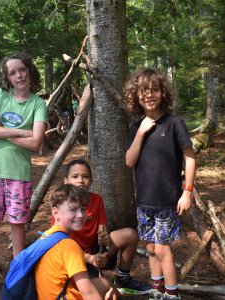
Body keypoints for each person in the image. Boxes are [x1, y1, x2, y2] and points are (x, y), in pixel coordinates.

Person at [0, 52, 47, 300]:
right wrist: (20, 132)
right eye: (13, 72)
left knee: (17, 225)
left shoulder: (38, 104)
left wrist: (0, 130)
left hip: (19, 174)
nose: (19, 76)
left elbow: (37, 142)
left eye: (22, 70)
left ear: (29, 70)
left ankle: (18, 276)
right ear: (7, 77)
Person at [125, 69, 196, 300]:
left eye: (154, 89)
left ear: (162, 93)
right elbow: (129, 161)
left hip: (168, 200)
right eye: (144, 91)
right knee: (151, 248)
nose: (149, 95)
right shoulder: (136, 128)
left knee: (163, 248)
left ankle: (173, 293)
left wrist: (187, 192)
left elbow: (190, 157)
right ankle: (157, 289)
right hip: (144, 200)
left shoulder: (175, 123)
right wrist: (142, 132)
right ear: (136, 96)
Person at [58, 159, 151, 298]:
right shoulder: (61, 205)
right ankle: (94, 276)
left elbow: (102, 230)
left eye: (85, 176)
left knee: (130, 234)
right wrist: (90, 259)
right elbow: (62, 247)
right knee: (104, 290)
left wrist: (104, 238)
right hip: (74, 258)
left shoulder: (96, 200)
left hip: (93, 250)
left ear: (91, 180)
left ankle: (123, 278)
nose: (80, 181)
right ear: (66, 180)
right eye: (75, 176)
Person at [35, 184, 107, 300]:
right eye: (73, 210)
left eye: (83, 209)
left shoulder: (46, 236)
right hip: (63, 296)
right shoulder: (69, 246)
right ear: (55, 212)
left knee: (105, 285)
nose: (80, 215)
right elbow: (90, 295)